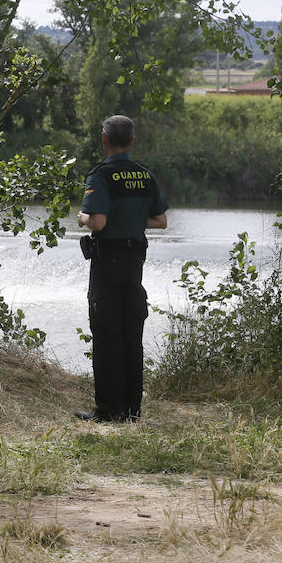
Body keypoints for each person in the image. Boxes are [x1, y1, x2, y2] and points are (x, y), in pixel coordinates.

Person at [75, 114, 167, 423]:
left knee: (106, 334)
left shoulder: (101, 175)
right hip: (134, 264)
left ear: (104, 140)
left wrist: (82, 218)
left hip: (107, 262)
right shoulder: (145, 175)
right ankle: (131, 411)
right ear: (132, 141)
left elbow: (97, 221)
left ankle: (108, 411)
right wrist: (131, 217)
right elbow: (160, 221)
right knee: (131, 334)